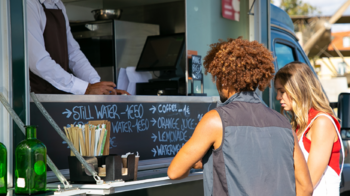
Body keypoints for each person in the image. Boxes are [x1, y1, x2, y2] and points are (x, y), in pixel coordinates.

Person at [167, 38, 313, 196]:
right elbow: (305, 188)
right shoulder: (284, 124)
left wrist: (201, 163)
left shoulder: (216, 120)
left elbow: (175, 171)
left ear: (224, 80)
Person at [27, 0, 129, 95]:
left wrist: (98, 86)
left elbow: (73, 53)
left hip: (58, 95)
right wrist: (86, 88)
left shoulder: (58, 5)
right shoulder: (28, 4)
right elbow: (38, 62)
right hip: (35, 97)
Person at [274, 62, 344, 196]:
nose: (278, 97)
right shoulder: (300, 125)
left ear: (299, 89)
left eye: (282, 91)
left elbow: (307, 185)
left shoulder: (322, 122)